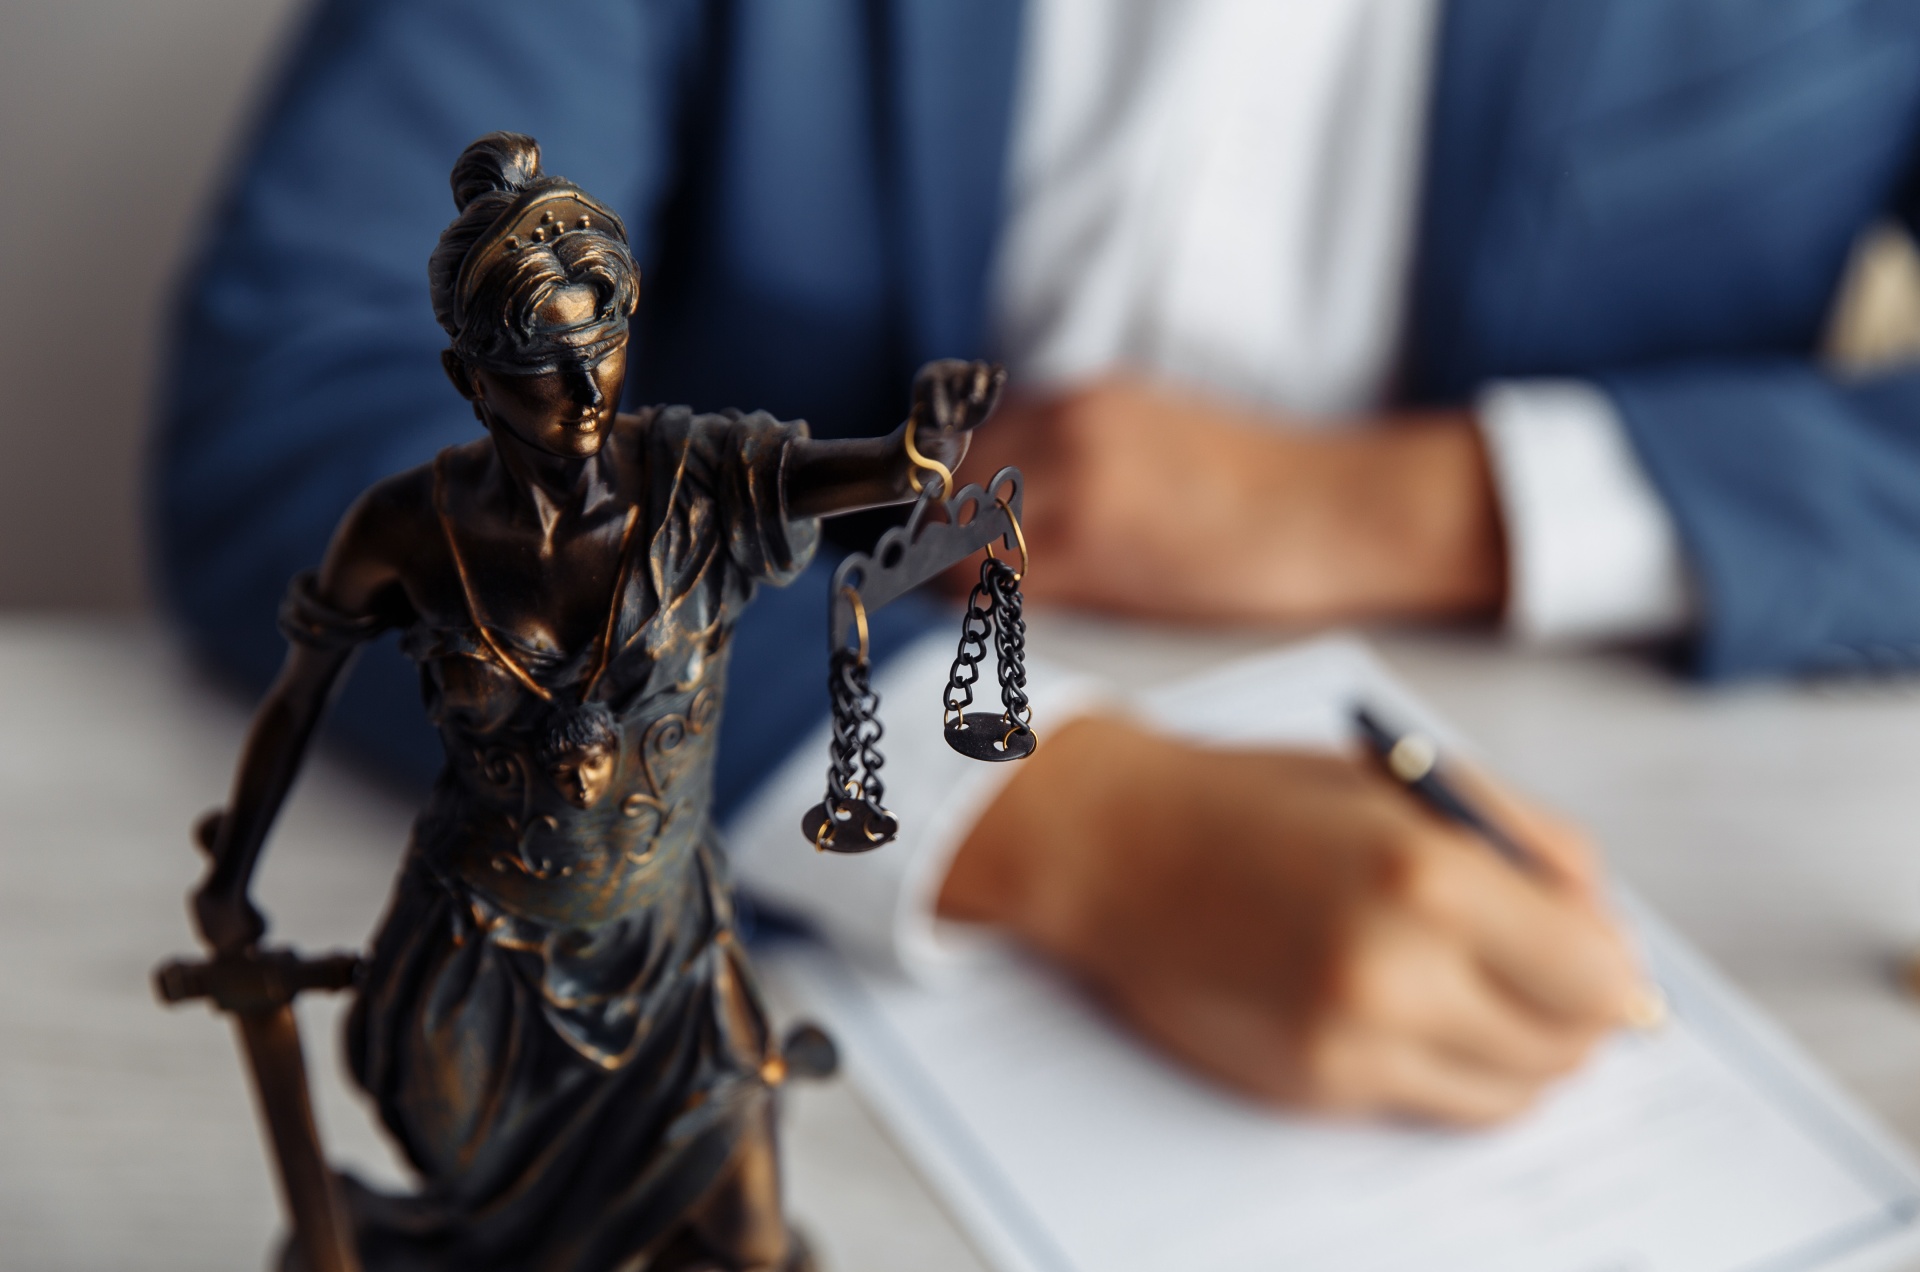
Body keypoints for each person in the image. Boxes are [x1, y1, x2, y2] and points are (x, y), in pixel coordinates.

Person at [160, 0, 1920, 1128]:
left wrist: (1430, 504)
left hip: (1642, 803)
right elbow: (313, 391)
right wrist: (1044, 814)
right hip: (740, 819)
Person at [190, 132, 1000, 1272]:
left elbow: (874, 470)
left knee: (749, 1241)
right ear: (467, 377)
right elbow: (295, 702)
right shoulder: (404, 532)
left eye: (603, 348)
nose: (582, 391)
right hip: (481, 954)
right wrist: (229, 880)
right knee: (497, 1234)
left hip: (665, 944)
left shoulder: (702, 481)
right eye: (538, 363)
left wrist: (926, 444)